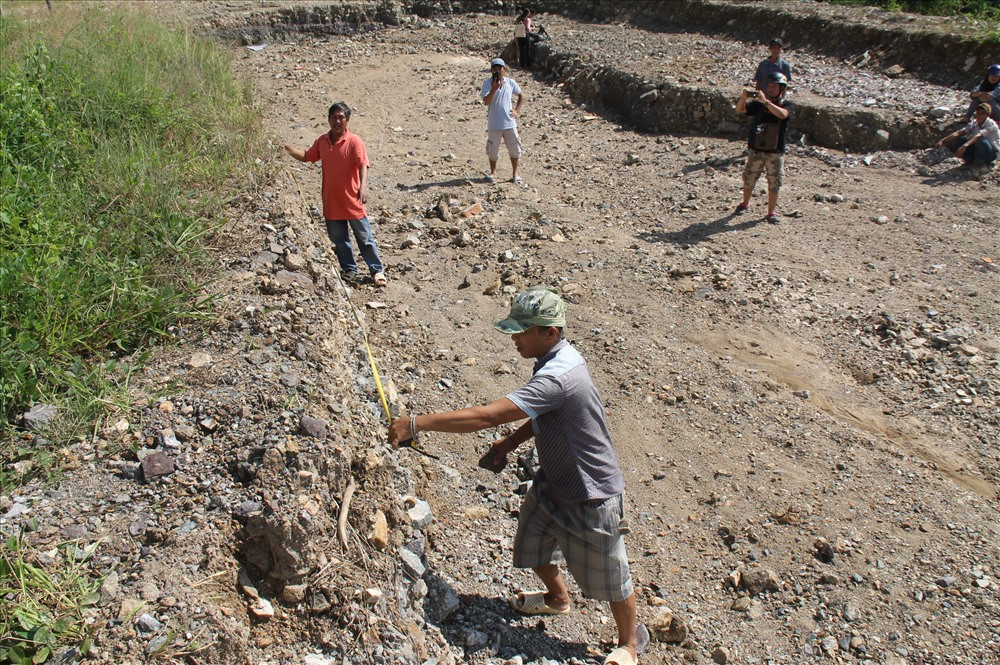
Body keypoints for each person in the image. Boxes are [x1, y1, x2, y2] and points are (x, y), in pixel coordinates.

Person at [388, 287, 641, 665]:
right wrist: (508, 444)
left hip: (591, 490)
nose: (514, 338)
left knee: (612, 575)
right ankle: (558, 600)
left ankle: (630, 646)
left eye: (522, 331)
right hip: (553, 479)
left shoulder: (559, 374)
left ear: (550, 332)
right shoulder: (553, 358)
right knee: (533, 546)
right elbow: (543, 414)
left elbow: (487, 415)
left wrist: (415, 424)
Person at [284, 102, 386, 286]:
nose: (337, 121)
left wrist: (363, 187)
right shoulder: (322, 141)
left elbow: (363, 164)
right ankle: (349, 270)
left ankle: (376, 271)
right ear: (329, 119)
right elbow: (307, 156)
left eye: (341, 117)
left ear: (347, 120)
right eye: (334, 117)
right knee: (339, 240)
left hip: (352, 200)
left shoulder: (354, 141)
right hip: (331, 201)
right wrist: (288, 149)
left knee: (365, 238)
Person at [734, 72, 794, 224]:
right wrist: (744, 97)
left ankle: (771, 212)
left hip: (775, 152)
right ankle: (745, 203)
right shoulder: (758, 105)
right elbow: (740, 110)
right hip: (757, 150)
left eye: (774, 86)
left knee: (774, 182)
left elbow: (783, 115)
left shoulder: (786, 104)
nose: (770, 88)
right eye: (769, 86)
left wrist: (766, 103)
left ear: (781, 88)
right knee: (749, 177)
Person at [481, 58, 525, 184]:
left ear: (503, 69)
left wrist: (516, 110)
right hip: (494, 123)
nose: (497, 70)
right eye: (494, 68)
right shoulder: (487, 84)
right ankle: (493, 172)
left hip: (509, 122)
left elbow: (521, 95)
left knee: (514, 148)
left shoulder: (510, 83)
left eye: (499, 68)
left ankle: (515, 173)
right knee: (492, 149)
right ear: (491, 69)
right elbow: (486, 101)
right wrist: (494, 88)